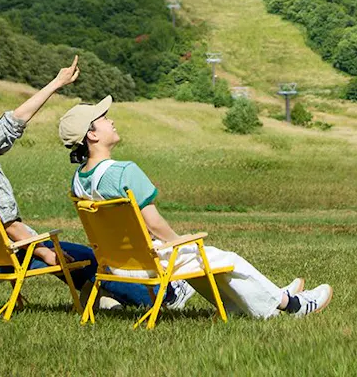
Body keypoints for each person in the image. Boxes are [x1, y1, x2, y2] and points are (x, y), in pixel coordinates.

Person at [0, 56, 193, 311]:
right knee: (88, 261)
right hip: (10, 252)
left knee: (80, 255)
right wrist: (45, 253)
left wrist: (56, 83)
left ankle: (102, 298)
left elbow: (14, 121)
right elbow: (9, 224)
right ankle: (165, 298)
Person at [59, 96, 333, 318]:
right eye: (104, 119)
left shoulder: (78, 181)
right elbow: (153, 223)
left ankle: (250, 302)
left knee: (207, 260)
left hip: (117, 266)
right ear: (92, 135)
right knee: (227, 260)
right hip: (150, 264)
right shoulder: (124, 172)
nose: (112, 120)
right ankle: (292, 304)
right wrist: (179, 242)